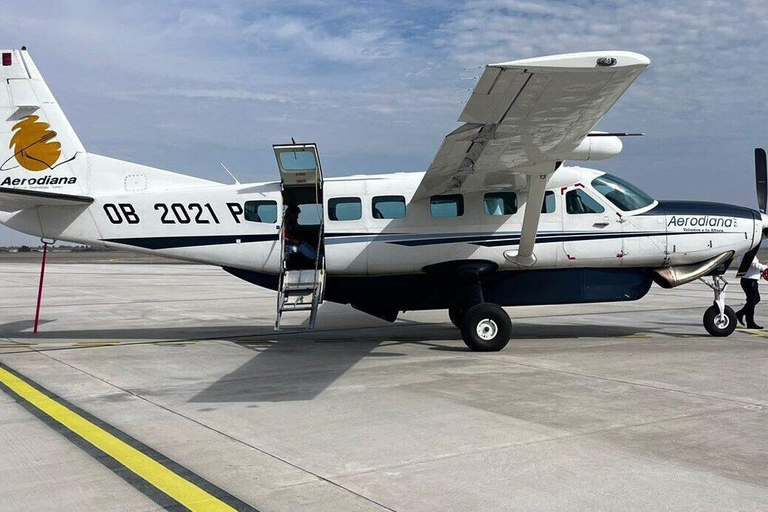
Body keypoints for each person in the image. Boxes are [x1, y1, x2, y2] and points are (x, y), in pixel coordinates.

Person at [736, 255, 767, 329]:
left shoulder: (743, 252)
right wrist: (765, 267)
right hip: (750, 280)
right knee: (752, 301)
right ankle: (750, 322)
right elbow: (754, 264)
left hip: (747, 279)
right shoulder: (749, 252)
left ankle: (741, 314)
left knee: (755, 299)